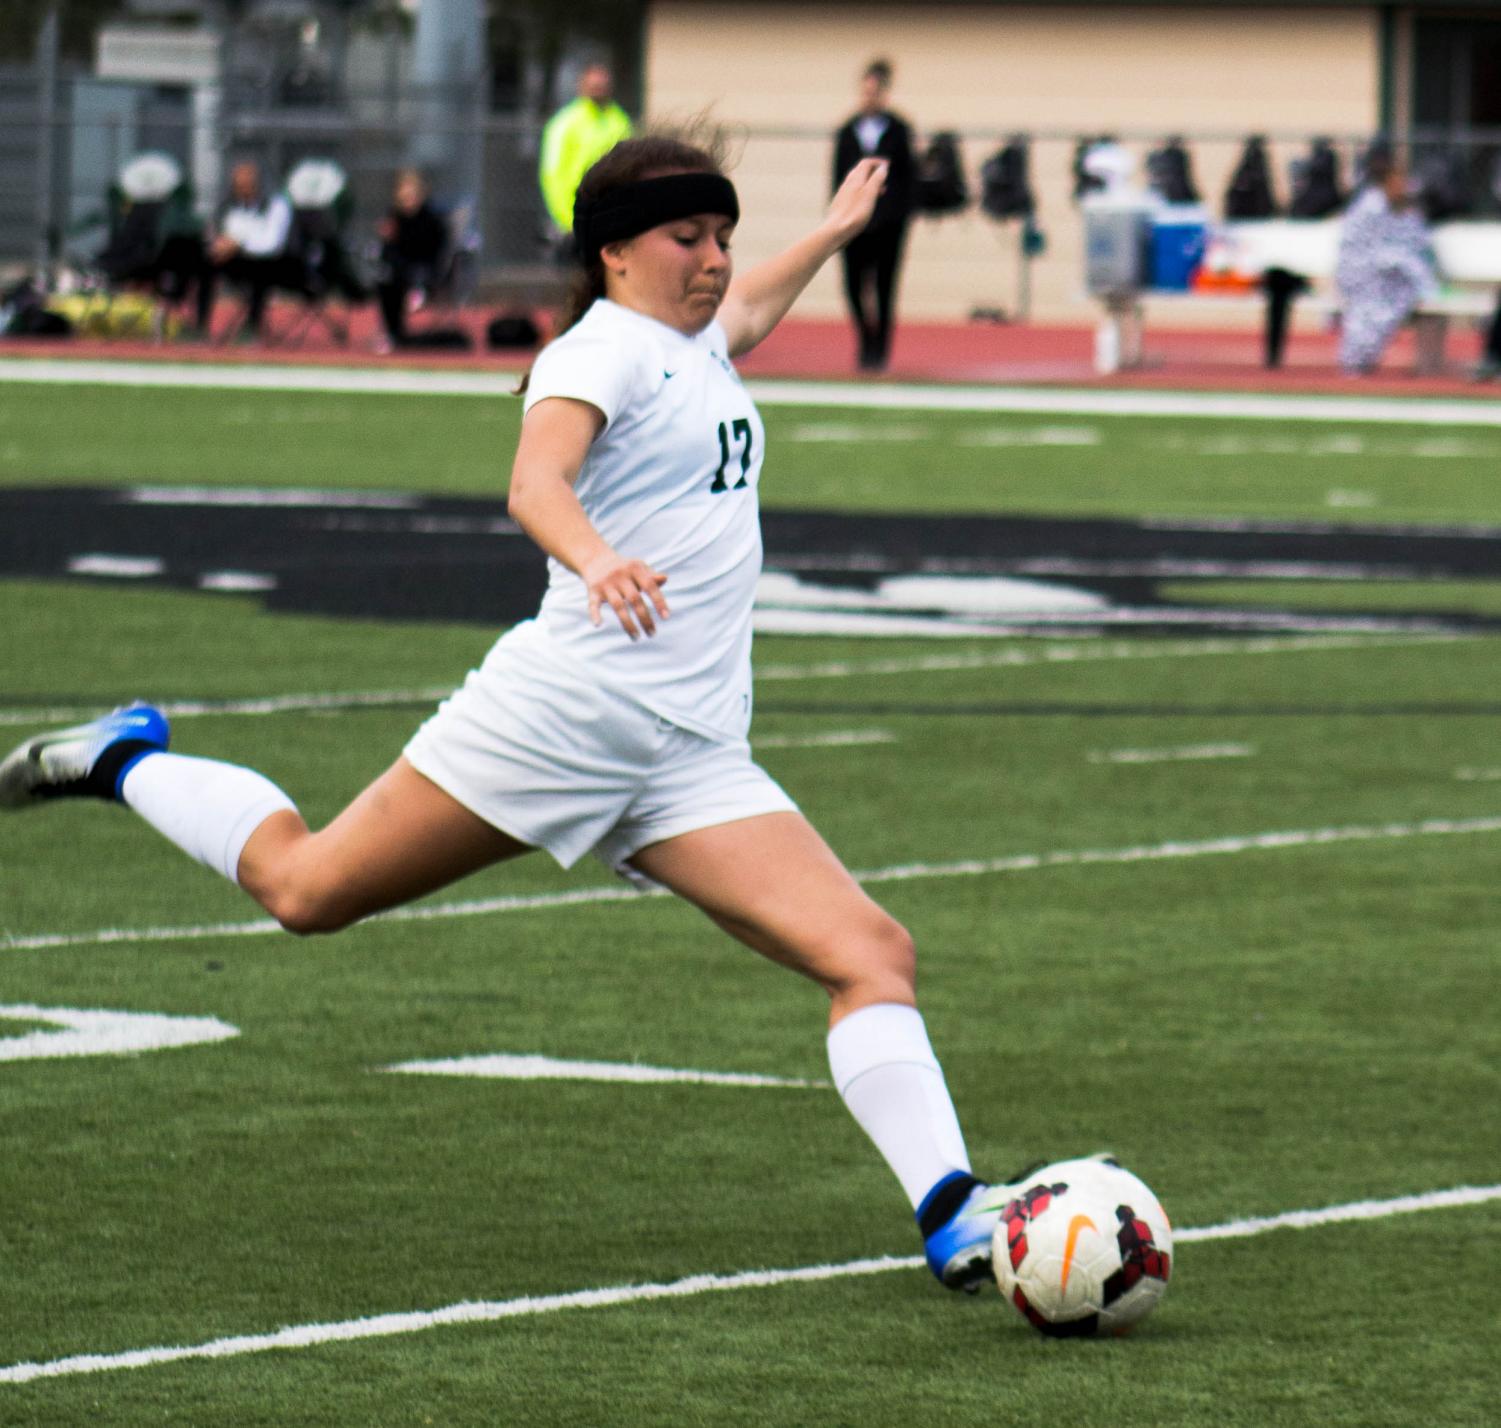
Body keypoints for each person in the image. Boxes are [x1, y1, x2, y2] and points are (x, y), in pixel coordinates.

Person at [0, 130, 1020, 1296]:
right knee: (305, 890)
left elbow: (752, 313)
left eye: (723, 238)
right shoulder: (599, 352)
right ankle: (123, 759)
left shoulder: (695, 341)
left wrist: (831, 236)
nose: (715, 261)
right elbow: (535, 482)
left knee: (872, 953)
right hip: (565, 716)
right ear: (615, 251)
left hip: (686, 755)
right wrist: (596, 559)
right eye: (689, 238)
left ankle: (952, 1217)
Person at [831, 59, 915, 371]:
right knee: (854, 286)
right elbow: (837, 176)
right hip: (855, 224)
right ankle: (864, 341)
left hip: (888, 225)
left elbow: (909, 177)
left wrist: (898, 215)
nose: (869, 97)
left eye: (875, 91)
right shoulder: (846, 131)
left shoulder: (899, 130)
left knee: (884, 288)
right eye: (865, 91)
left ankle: (879, 352)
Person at [1334, 154, 1436, 376]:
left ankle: (1362, 359)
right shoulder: (1369, 208)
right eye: (1398, 180)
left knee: (1395, 301)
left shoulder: (1404, 210)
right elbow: (1366, 249)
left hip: (1391, 279)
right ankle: (1355, 361)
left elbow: (1416, 243)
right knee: (1369, 311)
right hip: (1363, 275)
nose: (1404, 186)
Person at [192, 161, 294, 341]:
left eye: (248, 185)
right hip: (237, 261)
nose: (243, 190)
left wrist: (238, 243)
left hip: (271, 263)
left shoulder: (276, 205)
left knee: (262, 271)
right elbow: (218, 234)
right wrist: (217, 245)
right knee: (205, 262)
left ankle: (252, 326)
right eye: (239, 186)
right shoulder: (227, 206)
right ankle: (199, 325)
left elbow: (272, 243)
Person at [538, 63, 633, 255]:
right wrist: (567, 220)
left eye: (602, 85)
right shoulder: (565, 123)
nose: (598, 89)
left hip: (612, 219)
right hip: (576, 219)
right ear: (581, 86)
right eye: (593, 85)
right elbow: (552, 174)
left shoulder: (620, 121)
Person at [372, 168, 450, 352]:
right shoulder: (395, 218)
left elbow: (435, 252)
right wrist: (387, 239)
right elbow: (389, 252)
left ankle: (418, 293)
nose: (408, 198)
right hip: (400, 272)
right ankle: (393, 333)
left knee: (413, 274)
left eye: (412, 193)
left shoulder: (430, 219)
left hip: (425, 272)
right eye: (404, 193)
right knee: (385, 281)